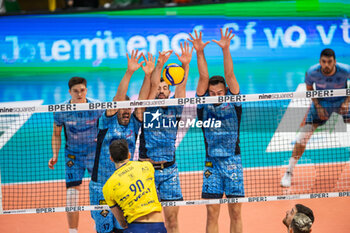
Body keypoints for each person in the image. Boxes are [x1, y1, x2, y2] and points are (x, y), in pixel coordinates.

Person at [89, 50, 156, 233]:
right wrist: (129, 72)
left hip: (124, 184)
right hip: (100, 185)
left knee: (123, 228)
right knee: (104, 229)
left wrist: (148, 75)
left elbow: (142, 101)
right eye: (122, 108)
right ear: (115, 108)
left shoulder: (134, 124)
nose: (126, 111)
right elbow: (119, 99)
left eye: (128, 108)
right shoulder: (105, 121)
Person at [188, 28, 243, 233]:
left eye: (219, 92)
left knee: (236, 213)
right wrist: (199, 52)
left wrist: (225, 49)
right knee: (212, 213)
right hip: (211, 162)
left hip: (233, 162)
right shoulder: (203, 104)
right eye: (212, 93)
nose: (216, 95)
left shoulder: (234, 100)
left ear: (226, 91)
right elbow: (203, 77)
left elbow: (229, 75)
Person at [138, 42, 193, 233]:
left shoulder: (175, 108)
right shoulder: (146, 109)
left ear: (169, 92)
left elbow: (182, 86)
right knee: (146, 221)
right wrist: (159, 65)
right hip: (147, 172)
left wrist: (185, 65)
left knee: (172, 222)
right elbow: (152, 86)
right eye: (159, 88)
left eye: (165, 88)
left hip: (170, 171)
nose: (161, 90)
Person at [281, 48, 350, 187]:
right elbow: (309, 89)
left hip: (341, 103)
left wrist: (347, 102)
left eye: (330, 62)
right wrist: (317, 106)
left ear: (335, 62)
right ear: (320, 62)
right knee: (302, 137)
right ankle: (289, 171)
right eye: (324, 62)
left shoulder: (346, 70)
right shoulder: (312, 72)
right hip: (321, 105)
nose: (327, 65)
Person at [48, 77, 103, 233]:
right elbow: (56, 134)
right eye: (75, 91)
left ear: (86, 90)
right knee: (71, 195)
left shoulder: (97, 106)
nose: (79, 94)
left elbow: (106, 128)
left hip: (95, 154)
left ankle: (100, 224)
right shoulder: (62, 111)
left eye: (82, 90)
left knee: (100, 191)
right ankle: (73, 231)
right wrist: (55, 154)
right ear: (69, 92)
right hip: (73, 155)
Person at [103, 139, 167, 233]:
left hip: (135, 228)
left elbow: (121, 222)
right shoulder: (147, 166)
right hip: (158, 226)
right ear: (129, 155)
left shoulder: (107, 187)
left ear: (111, 159)